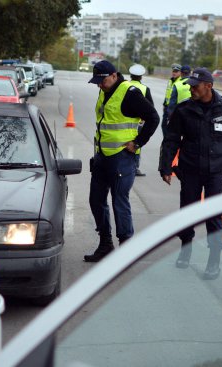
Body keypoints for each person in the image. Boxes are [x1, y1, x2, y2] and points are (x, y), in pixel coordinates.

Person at [158, 67, 222, 279]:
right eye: (189, 85)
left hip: (216, 172)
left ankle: (214, 260)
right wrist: (165, 166)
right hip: (189, 170)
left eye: (195, 86)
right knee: (187, 211)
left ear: (209, 86)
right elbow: (171, 140)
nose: (191, 89)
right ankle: (185, 250)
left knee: (213, 215)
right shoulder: (183, 110)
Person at [84, 60, 160, 262]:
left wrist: (137, 143)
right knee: (96, 200)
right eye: (97, 82)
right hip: (102, 156)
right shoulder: (104, 91)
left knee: (119, 201)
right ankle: (106, 244)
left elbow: (153, 117)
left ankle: (126, 250)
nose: (100, 85)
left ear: (114, 75)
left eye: (103, 81)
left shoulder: (130, 92)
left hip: (122, 158)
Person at [128, 63, 154, 177]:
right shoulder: (144, 89)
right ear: (141, 77)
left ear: (130, 75)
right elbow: (150, 108)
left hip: (122, 122)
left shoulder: (123, 86)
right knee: (136, 145)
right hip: (137, 123)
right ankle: (135, 167)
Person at [161, 64, 182, 136]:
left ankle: (169, 144)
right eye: (173, 71)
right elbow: (167, 93)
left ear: (180, 72)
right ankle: (165, 142)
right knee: (164, 126)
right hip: (167, 107)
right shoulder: (170, 80)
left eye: (176, 71)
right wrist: (164, 104)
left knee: (172, 128)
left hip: (175, 108)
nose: (174, 73)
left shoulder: (181, 82)